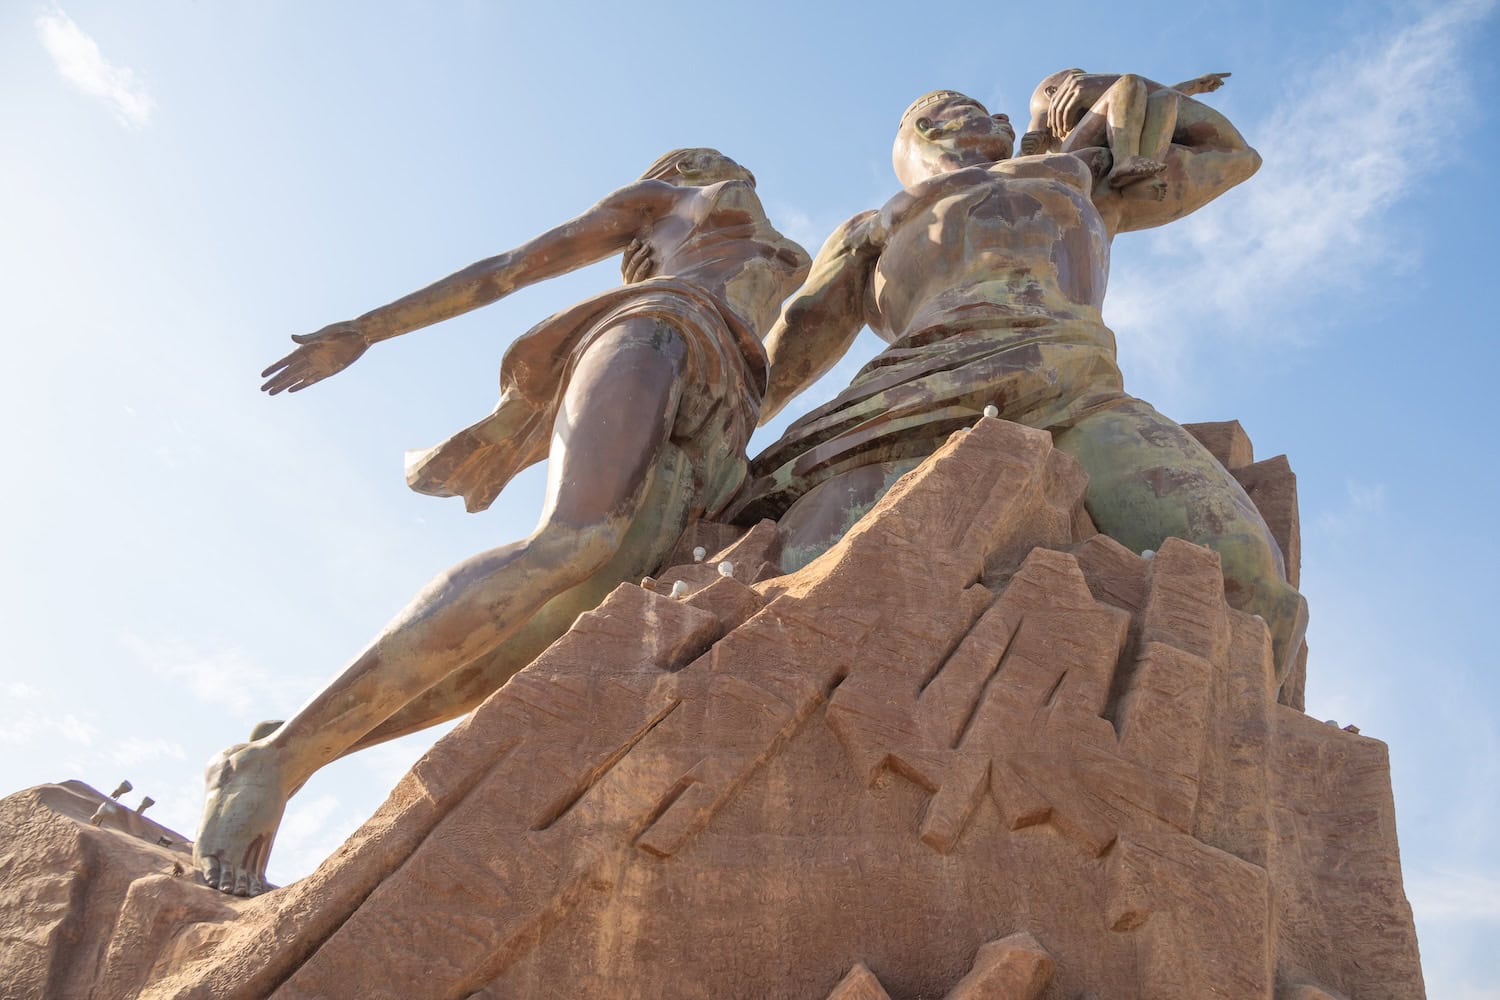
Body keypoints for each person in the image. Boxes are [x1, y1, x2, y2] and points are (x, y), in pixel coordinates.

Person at [194, 148, 810, 896]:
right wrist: (365, 329)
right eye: (697, 157)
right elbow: (513, 267)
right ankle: (271, 768)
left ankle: (286, 750)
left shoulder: (780, 251)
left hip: (729, 403)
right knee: (574, 541)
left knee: (555, 630)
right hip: (662, 328)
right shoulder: (677, 198)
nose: (721, 162)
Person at [729, 87, 1306, 695]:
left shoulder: (1079, 174)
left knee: (1245, 581)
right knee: (810, 580)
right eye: (972, 109)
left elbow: (1231, 155)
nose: (1002, 117)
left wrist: (1098, 93)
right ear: (925, 127)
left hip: (1075, 388)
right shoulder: (875, 228)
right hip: (908, 403)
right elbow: (791, 348)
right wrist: (711, 450)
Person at [1018, 68, 1233, 194]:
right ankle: (1124, 162)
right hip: (1073, 150)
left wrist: (1194, 86)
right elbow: (1032, 144)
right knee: (1127, 84)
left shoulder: (1092, 103)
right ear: (1052, 90)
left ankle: (1144, 172)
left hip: (1107, 135)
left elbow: (1143, 101)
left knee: (1165, 99)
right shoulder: (1045, 110)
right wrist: (1031, 144)